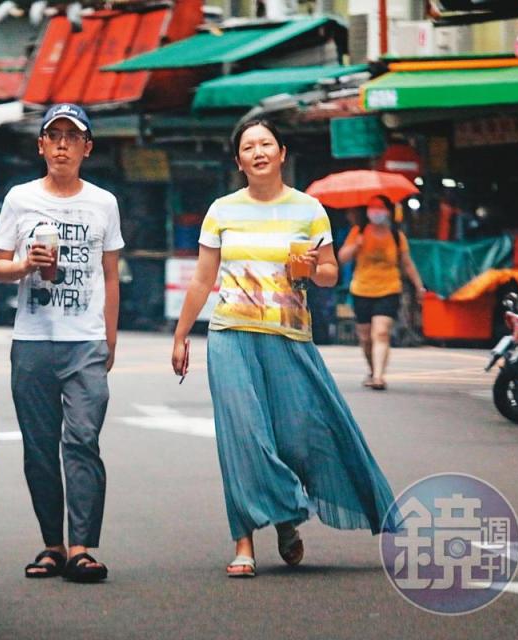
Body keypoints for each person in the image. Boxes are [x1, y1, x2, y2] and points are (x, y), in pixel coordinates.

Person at [170, 118, 398, 578]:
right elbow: (201, 278)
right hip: (230, 334)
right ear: (239, 161)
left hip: (290, 337)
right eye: (248, 146)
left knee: (295, 439)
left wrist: (314, 269)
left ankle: (288, 517)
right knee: (243, 438)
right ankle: (243, 542)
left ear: (281, 153)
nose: (258, 152)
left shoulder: (309, 210)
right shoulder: (222, 211)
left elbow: (332, 274)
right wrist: (181, 334)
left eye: (266, 144)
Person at [0, 103, 123, 583]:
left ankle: (83, 547)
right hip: (32, 341)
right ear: (41, 145)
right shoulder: (19, 200)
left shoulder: (103, 203)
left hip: (84, 342)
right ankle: (53, 544)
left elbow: (110, 272)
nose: (63, 144)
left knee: (83, 439)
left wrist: (110, 337)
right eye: (54, 135)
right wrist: (25, 264)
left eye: (73, 136)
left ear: (87, 148)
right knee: (40, 447)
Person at [338, 195, 426, 391]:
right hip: (361, 289)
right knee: (365, 337)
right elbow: (342, 258)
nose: (375, 212)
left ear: (388, 211)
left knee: (381, 332)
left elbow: (407, 263)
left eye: (380, 208)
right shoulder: (358, 232)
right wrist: (356, 245)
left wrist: (418, 286)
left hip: (389, 289)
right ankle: (372, 370)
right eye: (372, 208)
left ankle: (378, 376)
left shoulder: (396, 236)